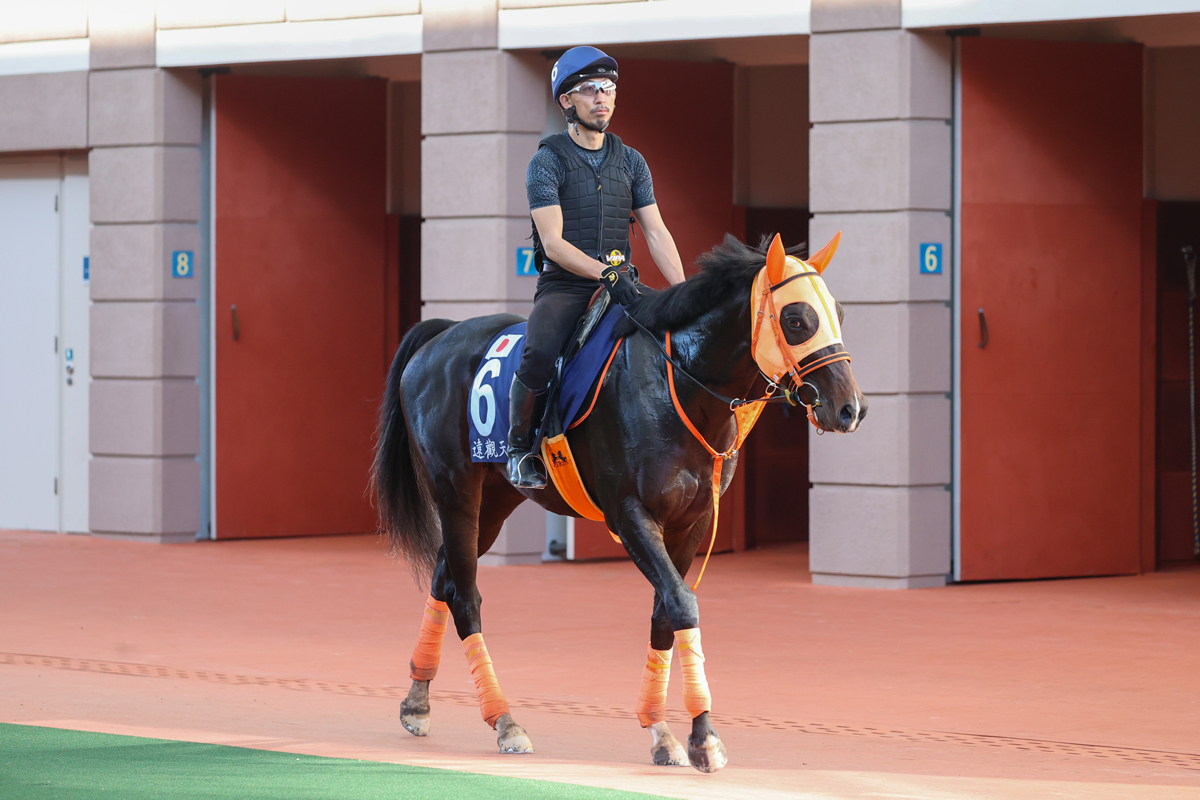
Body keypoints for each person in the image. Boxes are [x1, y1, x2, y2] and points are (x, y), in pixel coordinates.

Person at [507, 46, 687, 489]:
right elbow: (553, 243)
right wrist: (606, 273)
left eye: (608, 89)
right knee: (539, 353)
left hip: (622, 285)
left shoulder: (632, 161)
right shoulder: (546, 161)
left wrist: (684, 292)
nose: (602, 97)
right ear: (566, 101)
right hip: (566, 287)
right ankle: (519, 449)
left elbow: (657, 233)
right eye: (589, 90)